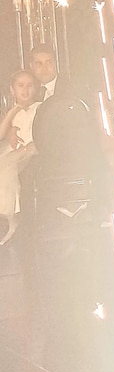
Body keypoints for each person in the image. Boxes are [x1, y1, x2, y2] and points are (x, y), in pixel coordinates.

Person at [0, 70, 40, 245]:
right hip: (12, 150)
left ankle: (13, 219)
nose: (25, 90)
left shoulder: (39, 107)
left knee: (7, 168)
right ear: (12, 89)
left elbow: (40, 130)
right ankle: (8, 219)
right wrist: (13, 112)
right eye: (20, 86)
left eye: (29, 86)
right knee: (5, 164)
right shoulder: (11, 111)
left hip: (31, 148)